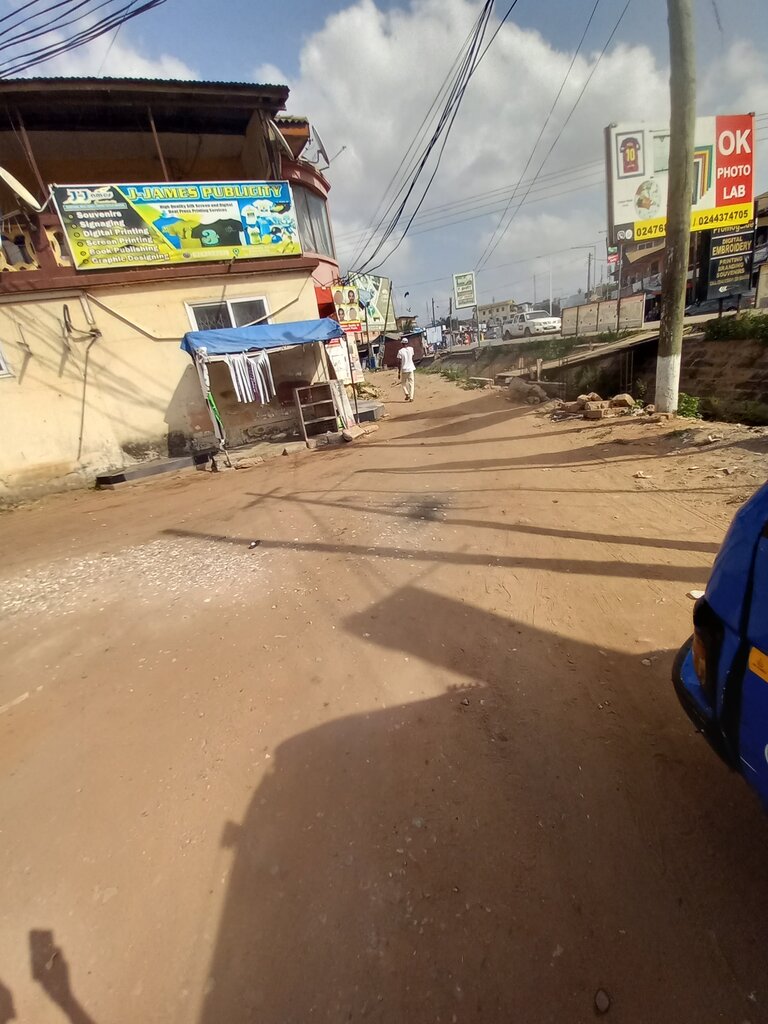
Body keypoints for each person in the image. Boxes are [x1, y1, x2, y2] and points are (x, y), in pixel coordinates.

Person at [397, 336, 415, 401]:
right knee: (411, 383)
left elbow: (399, 362)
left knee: (403, 383)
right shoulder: (411, 349)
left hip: (404, 369)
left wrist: (399, 372)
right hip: (411, 368)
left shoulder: (400, 351)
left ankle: (406, 393)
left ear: (402, 343)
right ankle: (411, 397)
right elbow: (412, 357)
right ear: (407, 343)